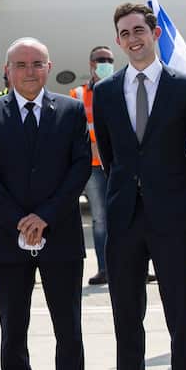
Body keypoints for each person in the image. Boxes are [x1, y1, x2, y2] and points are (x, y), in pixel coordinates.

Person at [91, 4, 186, 370]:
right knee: (127, 314)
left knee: (180, 313)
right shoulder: (105, 93)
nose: (132, 38)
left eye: (139, 29)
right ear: (119, 40)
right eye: (124, 33)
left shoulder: (184, 87)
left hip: (173, 215)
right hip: (124, 217)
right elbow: (110, 155)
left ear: (154, 32)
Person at [0, 38, 92, 370]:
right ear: (7, 70)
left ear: (49, 66)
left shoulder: (71, 111)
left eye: (37, 63)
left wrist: (46, 216)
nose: (29, 71)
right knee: (13, 327)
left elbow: (79, 168)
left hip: (61, 235)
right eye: (20, 64)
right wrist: (21, 220)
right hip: (9, 237)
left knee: (68, 327)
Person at [69, 46, 115, 285]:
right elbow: (73, 132)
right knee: (100, 219)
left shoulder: (120, 88)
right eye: (100, 59)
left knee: (131, 215)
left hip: (118, 164)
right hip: (95, 166)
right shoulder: (77, 94)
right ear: (91, 64)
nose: (105, 63)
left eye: (109, 59)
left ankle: (136, 266)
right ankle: (105, 269)